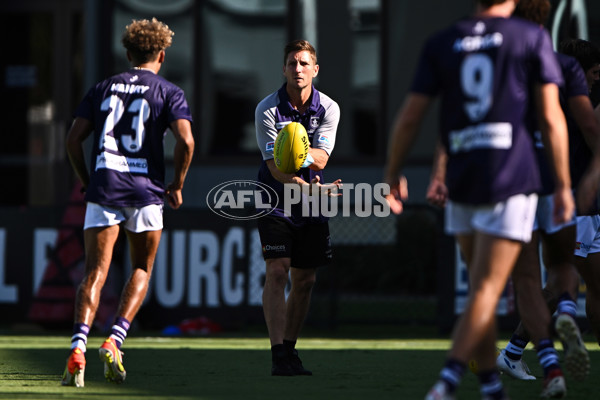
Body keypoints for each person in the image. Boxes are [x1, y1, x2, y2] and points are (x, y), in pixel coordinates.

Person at [383, 1, 574, 399]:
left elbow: (410, 117)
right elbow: (553, 118)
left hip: (463, 178)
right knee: (488, 290)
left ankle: (491, 386)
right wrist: (564, 185)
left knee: (480, 292)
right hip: (511, 176)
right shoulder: (530, 37)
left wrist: (392, 174)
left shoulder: (444, 40)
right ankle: (447, 380)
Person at [61, 18, 195, 387]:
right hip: (146, 190)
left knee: (95, 272)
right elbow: (186, 141)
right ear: (162, 55)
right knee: (141, 268)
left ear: (128, 52)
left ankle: (77, 348)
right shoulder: (169, 91)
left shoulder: (103, 87)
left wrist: (88, 181)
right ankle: (115, 340)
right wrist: (178, 184)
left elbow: (73, 140)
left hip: (105, 185)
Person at [255, 39, 341, 376]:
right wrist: (306, 186)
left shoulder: (329, 108)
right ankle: (278, 355)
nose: (298, 69)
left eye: (305, 63)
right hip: (275, 198)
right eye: (292, 63)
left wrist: (298, 154)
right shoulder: (267, 108)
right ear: (284, 69)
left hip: (311, 201)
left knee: (305, 280)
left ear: (315, 70)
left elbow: (322, 157)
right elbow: (275, 167)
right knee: (278, 269)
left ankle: (290, 351)